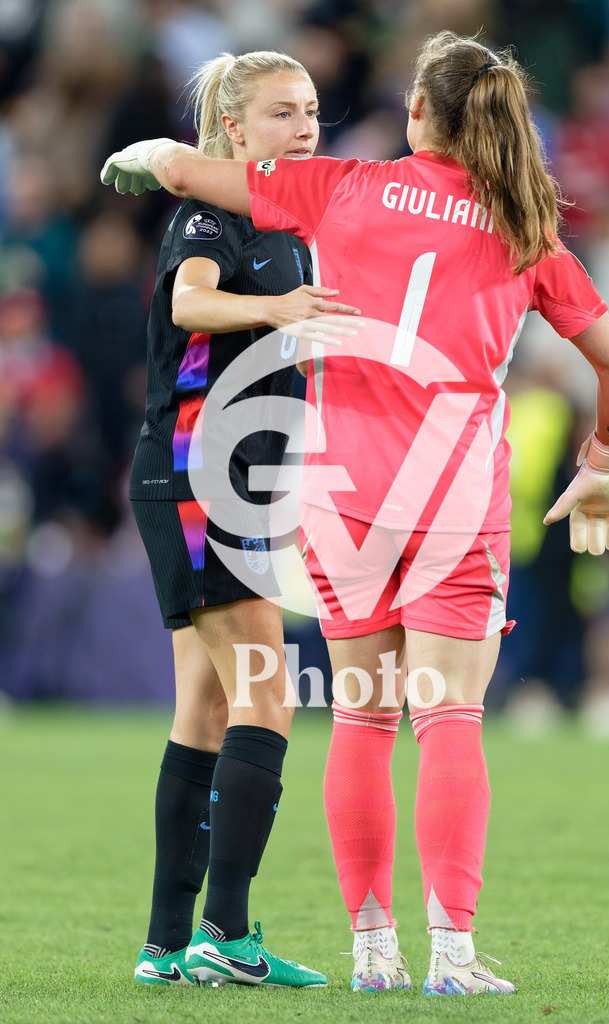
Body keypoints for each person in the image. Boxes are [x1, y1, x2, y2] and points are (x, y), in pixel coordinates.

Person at [101, 31, 609, 997]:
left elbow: (185, 167)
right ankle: (455, 956)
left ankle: (371, 953)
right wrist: (607, 463)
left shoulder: (342, 187)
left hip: (340, 492)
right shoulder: (524, 228)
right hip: (452, 490)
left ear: (418, 111)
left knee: (360, 720)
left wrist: (141, 160)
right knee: (451, 719)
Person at [125, 50, 359, 990]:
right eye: (279, 114)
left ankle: (167, 943)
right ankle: (228, 933)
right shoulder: (211, 213)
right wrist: (277, 309)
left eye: (309, 111)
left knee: (208, 704)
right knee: (271, 692)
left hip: (227, 484)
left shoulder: (292, 224)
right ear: (232, 132)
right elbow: (189, 301)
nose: (303, 127)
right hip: (199, 480)